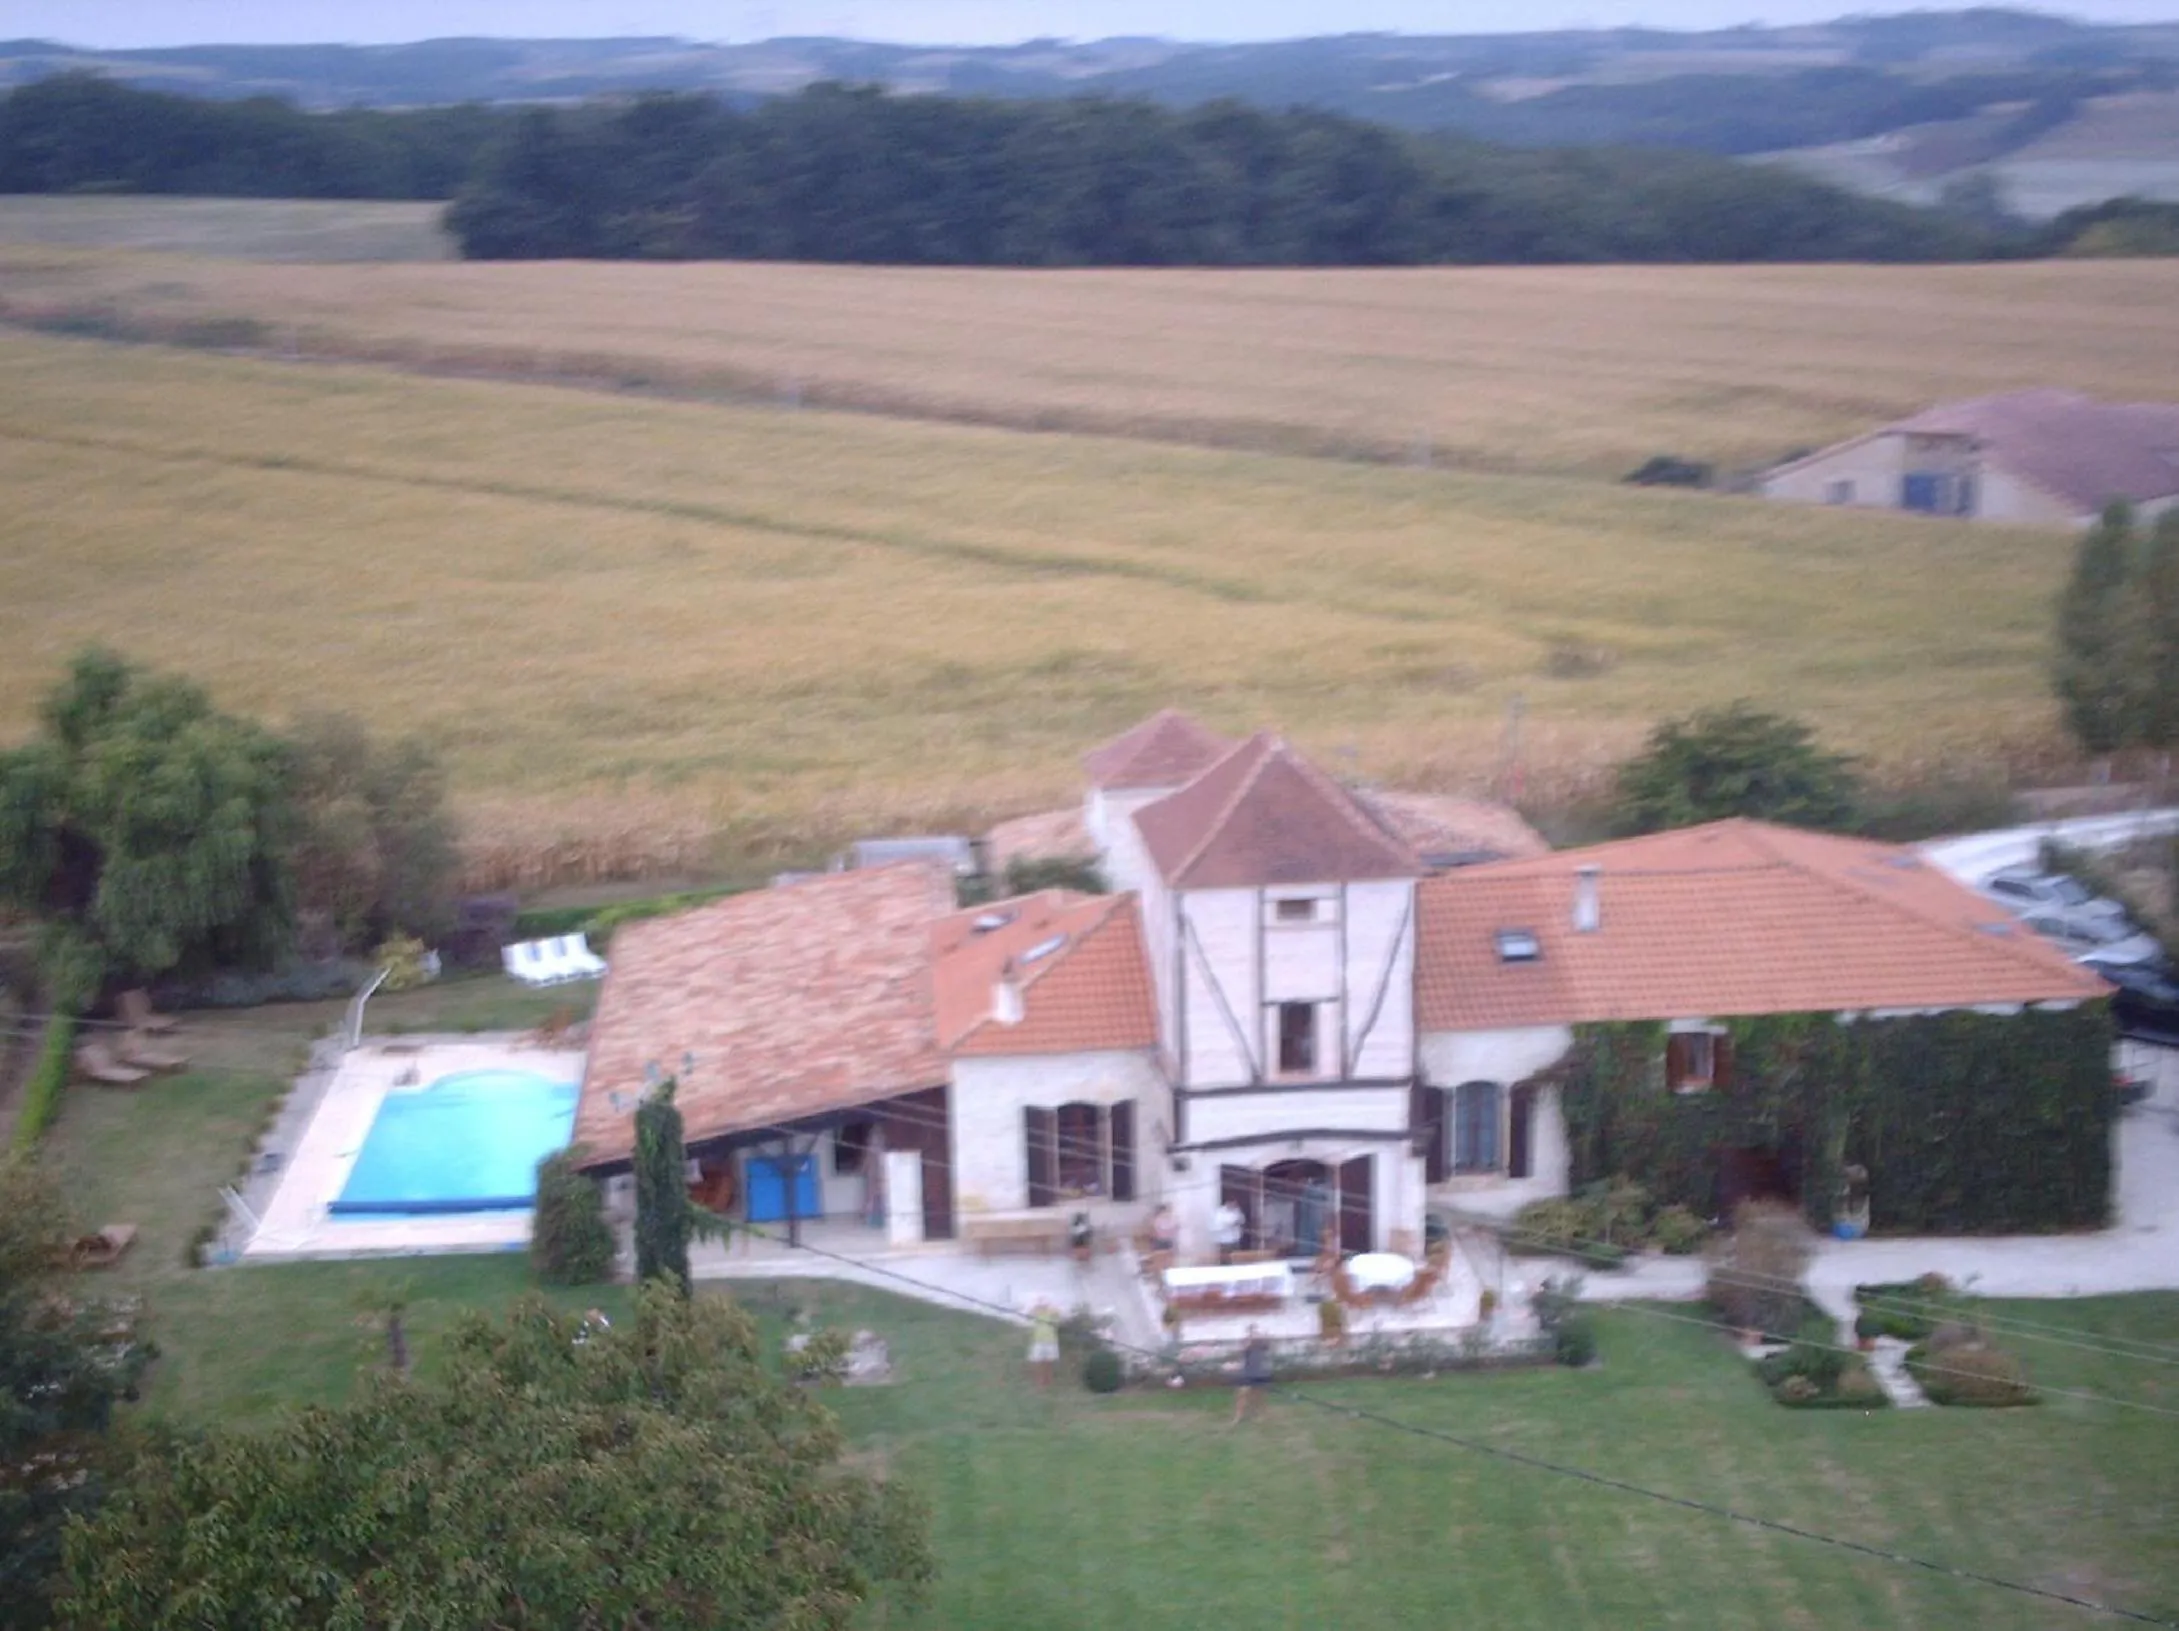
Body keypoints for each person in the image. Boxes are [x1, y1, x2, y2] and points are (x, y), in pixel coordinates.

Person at [1231, 1325, 1272, 1424]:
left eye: (1255, 1332)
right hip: (1247, 1372)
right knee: (1242, 1394)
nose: (1254, 1334)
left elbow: (1268, 1346)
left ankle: (1262, 1414)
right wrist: (1248, 1343)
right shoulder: (1246, 1343)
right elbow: (1241, 1351)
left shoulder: (1261, 1344)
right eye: (1252, 1332)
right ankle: (1238, 1416)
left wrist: (1266, 1336)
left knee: (1258, 1395)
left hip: (1258, 1372)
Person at [1027, 1302, 1060, 1389]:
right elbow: (1028, 1317)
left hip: (1051, 1341)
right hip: (1038, 1341)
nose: (1043, 1307)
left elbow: (1058, 1319)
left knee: (1049, 1361)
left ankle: (1049, 1380)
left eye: (1045, 1305)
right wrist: (1034, 1308)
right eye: (1041, 1305)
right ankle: (1040, 1380)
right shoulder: (1036, 1313)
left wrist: (1052, 1311)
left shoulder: (1052, 1312)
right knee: (1038, 1361)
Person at [1213, 1198, 1245, 1264]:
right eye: (1232, 1204)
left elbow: (1242, 1220)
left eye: (1235, 1204)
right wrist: (1230, 1224)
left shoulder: (1237, 1210)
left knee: (1235, 1258)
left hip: (1235, 1239)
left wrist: (1238, 1221)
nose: (1234, 1205)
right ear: (1228, 1203)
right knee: (1225, 1259)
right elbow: (1217, 1225)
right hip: (1224, 1240)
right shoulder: (1220, 1212)